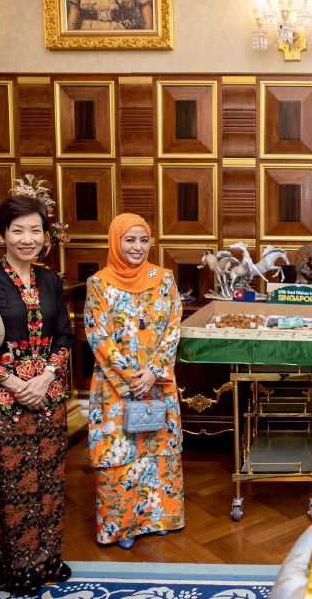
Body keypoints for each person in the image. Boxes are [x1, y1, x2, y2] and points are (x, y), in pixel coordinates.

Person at [0, 195, 73, 594]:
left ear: (45, 235)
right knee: (11, 484)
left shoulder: (51, 279)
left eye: (35, 230)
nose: (27, 238)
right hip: (1, 403)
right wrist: (13, 382)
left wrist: (46, 378)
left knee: (49, 481)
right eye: (17, 230)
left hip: (48, 398)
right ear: (0, 234)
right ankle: (17, 564)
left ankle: (49, 556)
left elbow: (64, 336)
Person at [84, 213, 184, 550]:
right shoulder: (98, 284)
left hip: (157, 384)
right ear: (116, 242)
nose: (137, 247)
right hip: (116, 390)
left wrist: (153, 372)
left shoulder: (164, 279)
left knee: (158, 450)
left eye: (143, 240)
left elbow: (172, 328)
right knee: (119, 455)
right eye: (129, 240)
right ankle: (120, 526)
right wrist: (131, 378)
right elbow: (98, 336)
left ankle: (158, 518)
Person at [66, 0, 154, 31]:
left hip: (121, 33)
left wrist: (149, 40)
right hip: (89, 33)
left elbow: (145, 7)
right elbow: (74, 8)